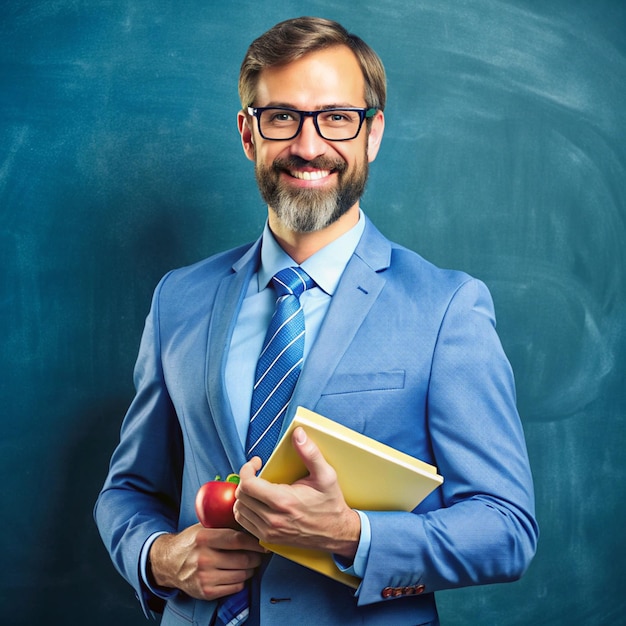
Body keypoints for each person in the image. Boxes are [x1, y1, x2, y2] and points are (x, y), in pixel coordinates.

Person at [95, 16, 538, 626]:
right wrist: (156, 556)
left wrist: (354, 535)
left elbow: (506, 528)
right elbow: (129, 491)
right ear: (249, 134)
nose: (308, 146)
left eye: (336, 117)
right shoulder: (180, 299)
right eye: (283, 117)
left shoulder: (446, 309)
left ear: (372, 133)